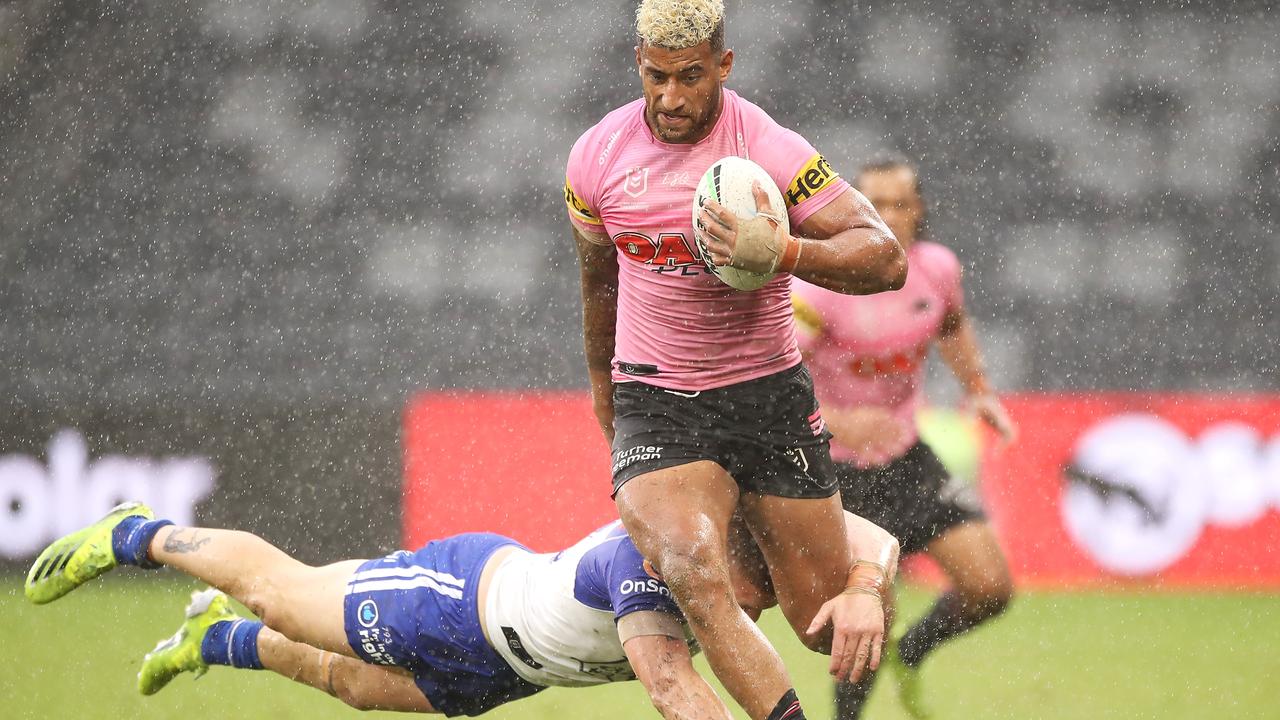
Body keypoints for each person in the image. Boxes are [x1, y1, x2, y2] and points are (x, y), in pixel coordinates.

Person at [567, 3, 906, 718]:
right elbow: (598, 280)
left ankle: (869, 570)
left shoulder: (770, 149)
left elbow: (885, 258)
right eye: (656, 76)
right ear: (639, 63)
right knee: (694, 571)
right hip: (657, 401)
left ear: (723, 65)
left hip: (768, 400)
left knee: (820, 621)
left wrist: (785, 253)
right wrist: (604, 386)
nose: (670, 97)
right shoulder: (595, 158)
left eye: (690, 77)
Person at [24, 500, 898, 718]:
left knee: (354, 688)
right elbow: (673, 689)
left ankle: (214, 643)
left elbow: (877, 542)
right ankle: (137, 534)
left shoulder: (757, 543)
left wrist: (863, 588)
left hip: (512, 672)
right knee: (285, 595)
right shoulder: (656, 563)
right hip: (462, 604)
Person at [790, 157, 1017, 719]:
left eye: (899, 203)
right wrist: (839, 420)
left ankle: (913, 652)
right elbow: (772, 377)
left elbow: (952, 324)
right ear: (853, 210)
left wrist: (979, 388)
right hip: (837, 470)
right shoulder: (824, 286)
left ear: (919, 211)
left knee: (990, 588)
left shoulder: (936, 268)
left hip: (906, 456)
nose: (887, 216)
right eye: (874, 203)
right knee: (869, 618)